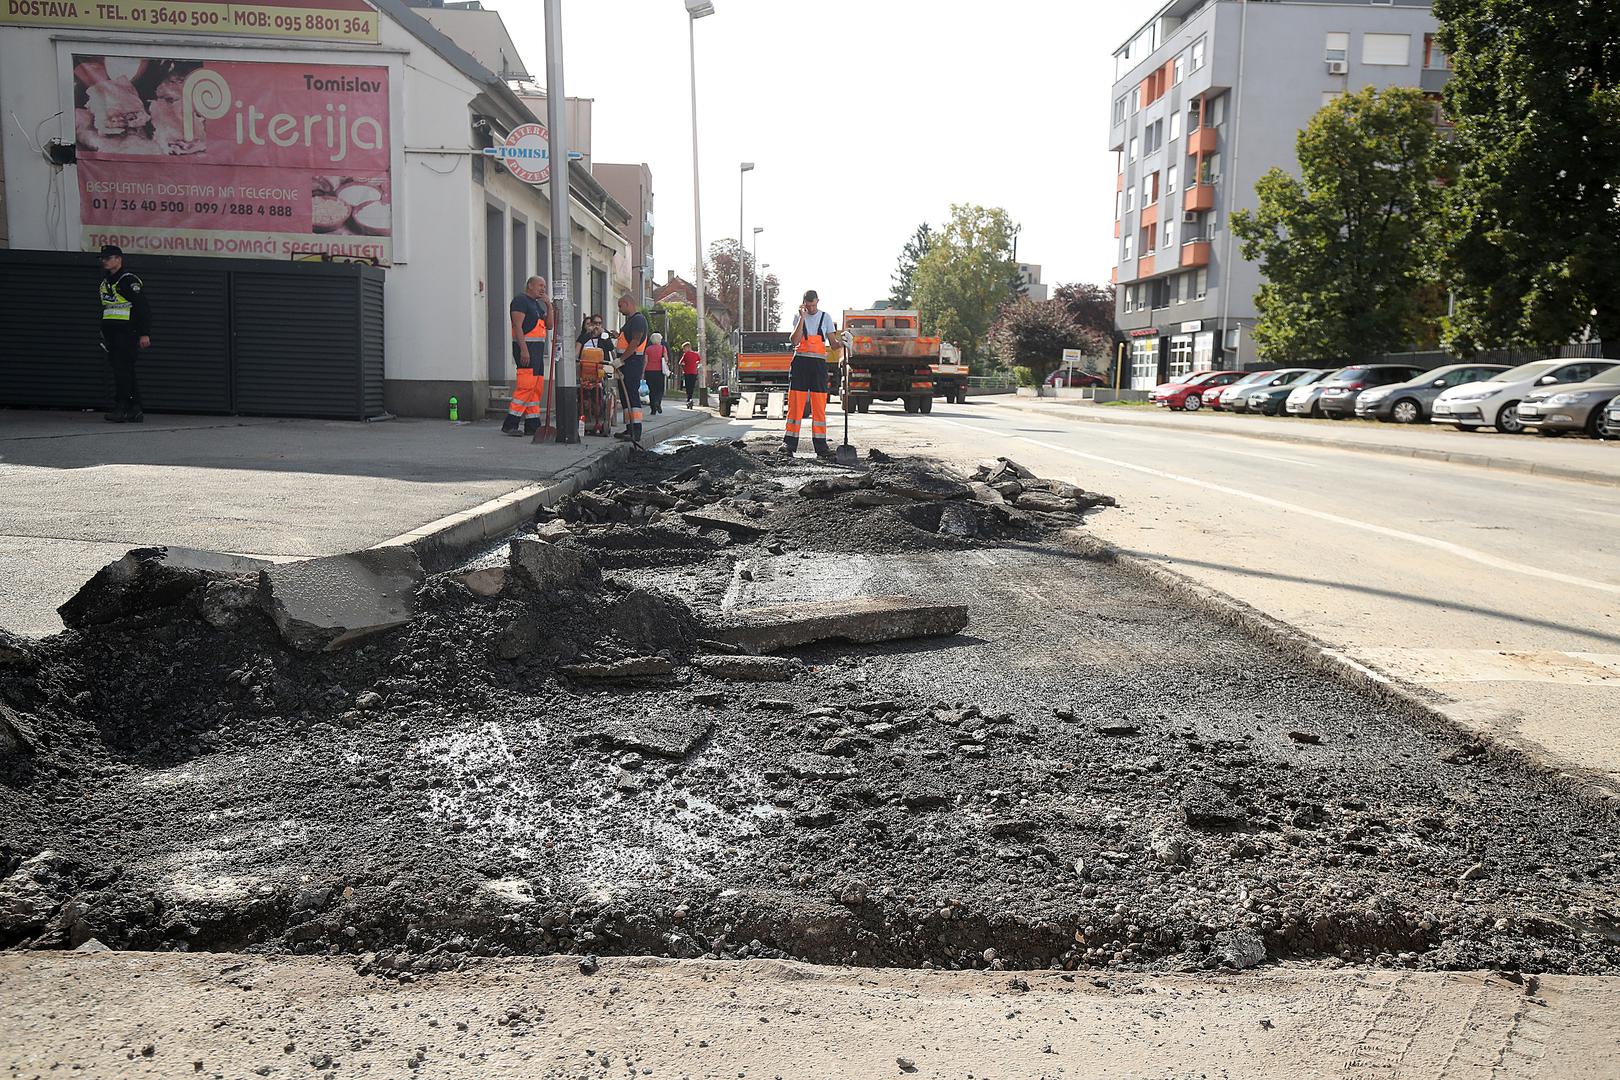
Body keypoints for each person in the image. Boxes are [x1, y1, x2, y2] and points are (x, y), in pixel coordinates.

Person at [97, 245, 152, 423]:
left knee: (123, 371)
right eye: (102, 258)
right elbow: (107, 308)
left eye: (108, 257)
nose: (104, 261)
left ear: (119, 259)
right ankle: (135, 409)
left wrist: (144, 334)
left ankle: (121, 408)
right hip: (112, 333)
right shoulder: (105, 283)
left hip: (127, 332)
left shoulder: (128, 280)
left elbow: (143, 308)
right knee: (124, 371)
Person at [784, 289, 836, 457]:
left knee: (819, 406)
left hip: (819, 366)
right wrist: (802, 318)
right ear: (803, 303)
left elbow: (833, 343)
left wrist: (845, 343)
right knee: (795, 405)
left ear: (818, 302)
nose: (811, 308)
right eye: (808, 305)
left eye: (813, 305)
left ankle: (821, 447)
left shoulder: (825, 317)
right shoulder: (799, 317)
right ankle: (789, 444)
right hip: (800, 364)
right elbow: (795, 340)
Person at [503, 276, 556, 437]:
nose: (543, 289)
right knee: (526, 387)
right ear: (530, 286)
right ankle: (511, 424)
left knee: (536, 388)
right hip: (526, 350)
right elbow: (517, 326)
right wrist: (524, 350)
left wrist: (548, 305)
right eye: (540, 285)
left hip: (538, 352)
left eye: (544, 286)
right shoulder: (520, 301)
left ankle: (532, 424)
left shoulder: (537, 305)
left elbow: (550, 325)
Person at [613, 294, 649, 444]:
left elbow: (634, 343)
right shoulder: (631, 322)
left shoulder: (638, 320)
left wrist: (621, 360)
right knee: (625, 395)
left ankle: (636, 430)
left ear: (628, 304)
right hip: (627, 364)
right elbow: (628, 340)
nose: (619, 310)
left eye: (620, 306)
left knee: (631, 396)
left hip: (632, 363)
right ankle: (630, 428)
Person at [644, 333, 669, 416]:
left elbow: (645, 361)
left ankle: (653, 409)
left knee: (651, 390)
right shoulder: (663, 348)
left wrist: (643, 371)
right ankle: (657, 402)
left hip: (649, 371)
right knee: (659, 389)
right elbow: (666, 359)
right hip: (659, 371)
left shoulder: (648, 349)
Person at [678, 341, 700, 408]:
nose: (684, 350)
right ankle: (690, 398)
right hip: (694, 372)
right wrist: (696, 364)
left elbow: (680, 363)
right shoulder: (696, 354)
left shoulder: (686, 354)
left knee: (688, 386)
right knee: (692, 386)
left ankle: (689, 399)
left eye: (684, 349)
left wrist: (684, 366)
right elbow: (699, 361)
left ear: (688, 347)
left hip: (687, 372)